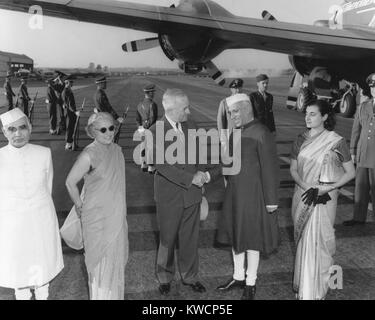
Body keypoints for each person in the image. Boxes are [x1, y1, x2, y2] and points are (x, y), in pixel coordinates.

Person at [149, 88, 218, 296]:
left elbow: (200, 157)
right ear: (170, 109)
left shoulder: (191, 126)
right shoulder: (154, 131)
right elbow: (161, 165)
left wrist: (202, 176)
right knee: (167, 239)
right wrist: (191, 179)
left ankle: (190, 277)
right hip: (169, 196)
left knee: (190, 238)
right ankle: (164, 276)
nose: (189, 112)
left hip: (192, 194)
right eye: (185, 108)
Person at [289, 99, 355, 300]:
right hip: (303, 195)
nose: (307, 117)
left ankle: (315, 290)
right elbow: (292, 168)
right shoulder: (300, 139)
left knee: (321, 243)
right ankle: (304, 284)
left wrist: (327, 188)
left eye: (313, 114)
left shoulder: (336, 141)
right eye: (307, 113)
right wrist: (306, 185)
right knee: (304, 242)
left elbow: (350, 173)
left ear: (325, 117)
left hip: (324, 199)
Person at [216, 93, 279, 300]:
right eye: (230, 112)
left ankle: (251, 282)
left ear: (245, 109)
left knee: (252, 239)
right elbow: (228, 163)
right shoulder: (236, 132)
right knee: (237, 234)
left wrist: (271, 201)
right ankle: (238, 276)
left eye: (234, 112)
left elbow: (270, 169)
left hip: (254, 195)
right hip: (235, 194)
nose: (232, 116)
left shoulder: (262, 132)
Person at [0, 108, 64, 300]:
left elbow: (48, 186)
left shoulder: (44, 153)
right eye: (11, 129)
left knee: (41, 266)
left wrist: (38, 208)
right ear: (4, 132)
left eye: (22, 127)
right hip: (12, 224)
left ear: (30, 128)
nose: (17, 133)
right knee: (19, 271)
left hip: (40, 219)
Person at [64, 112, 128, 300]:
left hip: (116, 215)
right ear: (92, 132)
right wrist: (78, 204)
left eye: (111, 128)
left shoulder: (117, 150)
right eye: (103, 130)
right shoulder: (89, 154)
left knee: (114, 262)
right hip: (96, 218)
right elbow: (70, 182)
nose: (109, 133)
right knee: (99, 263)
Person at [344, 73, 375, 226]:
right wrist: (353, 151)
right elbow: (356, 130)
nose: (374, 89)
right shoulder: (364, 106)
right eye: (372, 87)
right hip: (362, 154)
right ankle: (358, 218)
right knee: (360, 187)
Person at [136, 84, 158, 173]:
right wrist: (147, 127)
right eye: (152, 92)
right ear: (149, 93)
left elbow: (137, 118)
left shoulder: (139, 104)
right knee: (150, 147)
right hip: (150, 128)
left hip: (141, 128)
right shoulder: (153, 104)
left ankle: (143, 164)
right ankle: (151, 166)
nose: (154, 94)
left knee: (143, 146)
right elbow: (153, 118)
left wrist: (141, 128)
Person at [217, 78, 243, 148]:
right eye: (235, 88)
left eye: (239, 88)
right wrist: (223, 139)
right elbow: (220, 122)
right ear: (231, 89)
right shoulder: (224, 103)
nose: (238, 90)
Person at [62, 78, 80, 150]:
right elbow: (69, 104)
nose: (72, 84)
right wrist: (75, 111)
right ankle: (68, 144)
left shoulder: (67, 91)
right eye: (71, 82)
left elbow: (65, 103)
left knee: (71, 127)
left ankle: (71, 142)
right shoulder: (66, 91)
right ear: (67, 83)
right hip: (70, 112)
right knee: (69, 127)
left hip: (70, 112)